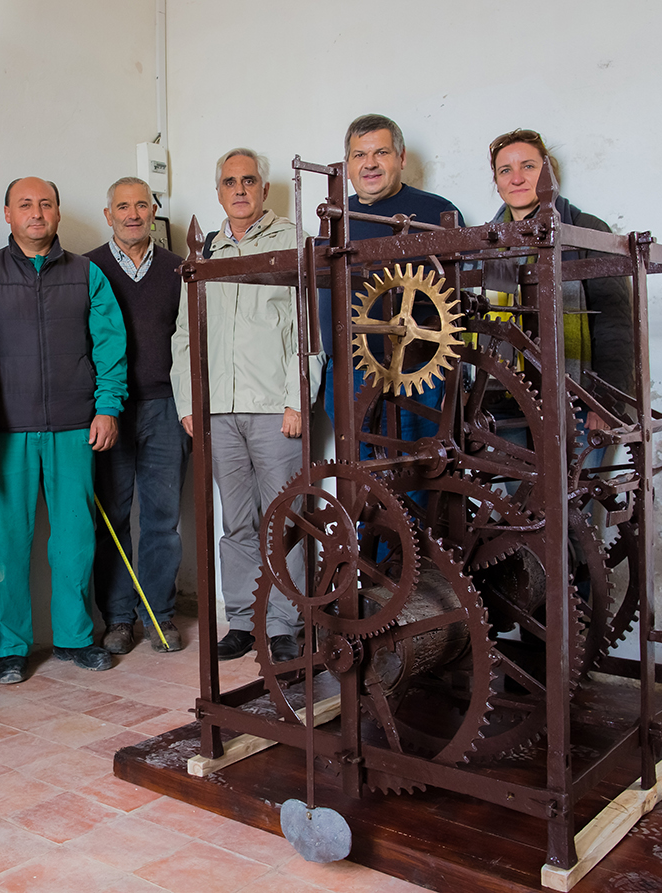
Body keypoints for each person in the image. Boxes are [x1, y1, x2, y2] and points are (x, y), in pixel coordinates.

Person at [0, 177, 128, 683]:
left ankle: (75, 638)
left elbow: (109, 346)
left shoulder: (86, 274)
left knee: (76, 541)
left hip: (74, 428)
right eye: (25, 205)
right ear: (7, 214)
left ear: (58, 213)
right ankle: (12, 648)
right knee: (7, 544)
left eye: (46, 204)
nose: (37, 213)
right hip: (6, 432)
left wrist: (107, 408)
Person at [169, 149, 325, 662]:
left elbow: (309, 328)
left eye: (249, 180)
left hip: (274, 409)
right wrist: (190, 401)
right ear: (218, 192)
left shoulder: (292, 241)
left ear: (264, 189)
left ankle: (282, 624)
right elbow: (185, 336)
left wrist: (298, 398)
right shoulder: (207, 250)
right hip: (219, 410)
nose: (239, 189)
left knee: (285, 519)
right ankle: (242, 620)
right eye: (229, 181)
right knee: (236, 522)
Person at [85, 177, 187, 655]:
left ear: (152, 211)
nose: (132, 214)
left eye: (141, 205)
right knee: (113, 518)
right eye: (121, 206)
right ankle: (120, 618)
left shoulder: (178, 269)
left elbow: (189, 341)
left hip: (165, 407)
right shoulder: (88, 269)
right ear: (108, 215)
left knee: (163, 520)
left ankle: (159, 616)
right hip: (112, 412)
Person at [318, 114, 465, 442]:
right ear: (347, 164)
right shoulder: (334, 218)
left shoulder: (439, 213)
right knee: (358, 480)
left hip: (419, 370)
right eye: (359, 155)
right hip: (348, 370)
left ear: (401, 158)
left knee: (420, 474)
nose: (369, 164)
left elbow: (459, 305)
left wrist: (453, 380)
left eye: (380, 153)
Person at [486, 128, 633, 420]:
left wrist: (605, 405)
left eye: (528, 166)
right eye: (506, 170)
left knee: (573, 469)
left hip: (577, 401)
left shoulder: (586, 230)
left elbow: (613, 325)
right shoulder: (488, 242)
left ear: (548, 174)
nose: (517, 178)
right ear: (498, 182)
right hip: (503, 400)